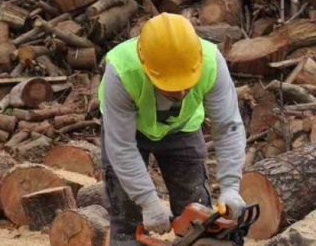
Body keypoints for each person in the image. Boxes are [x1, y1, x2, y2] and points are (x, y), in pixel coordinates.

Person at [97, 13, 247, 245]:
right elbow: (122, 146)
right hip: (129, 133)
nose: (179, 94)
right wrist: (147, 200)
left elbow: (227, 127)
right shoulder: (122, 72)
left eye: (185, 85)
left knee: (197, 214)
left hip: (183, 129)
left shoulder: (210, 62)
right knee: (127, 216)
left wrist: (230, 187)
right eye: (170, 86)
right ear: (147, 68)